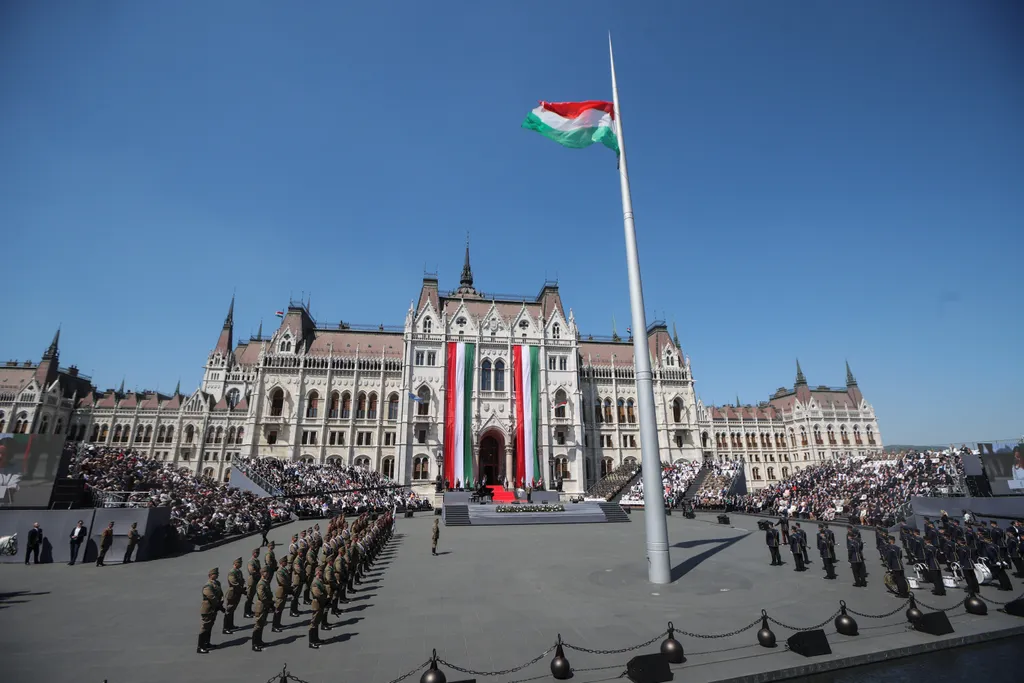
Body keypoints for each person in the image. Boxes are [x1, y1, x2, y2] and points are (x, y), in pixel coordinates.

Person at [198, 567, 224, 655]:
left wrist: (221, 600)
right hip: (207, 608)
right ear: (210, 575)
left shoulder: (217, 583)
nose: (216, 575)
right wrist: (219, 604)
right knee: (205, 627)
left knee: (210, 626)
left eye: (217, 574)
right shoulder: (208, 586)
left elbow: (220, 594)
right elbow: (211, 597)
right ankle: (200, 646)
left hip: (213, 608)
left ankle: (207, 643)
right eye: (215, 574)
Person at [308, 566, 330, 649]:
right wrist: (325, 598)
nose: (322, 573)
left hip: (320, 602)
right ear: (317, 572)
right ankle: (311, 641)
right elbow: (318, 594)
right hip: (316, 603)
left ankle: (316, 639)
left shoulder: (320, 581)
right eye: (320, 571)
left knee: (317, 622)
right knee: (313, 623)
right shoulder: (315, 582)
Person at [251, 568, 272, 652]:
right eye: (266, 572)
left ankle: (259, 641)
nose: (268, 574)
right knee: (258, 625)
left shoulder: (265, 582)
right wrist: (268, 602)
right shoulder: (261, 583)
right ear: (263, 573)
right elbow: (261, 595)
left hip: (265, 605)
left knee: (262, 624)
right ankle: (255, 644)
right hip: (261, 606)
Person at [223, 557, 244, 634]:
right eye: (239, 563)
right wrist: (240, 587)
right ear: (235, 564)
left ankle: (230, 625)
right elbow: (233, 582)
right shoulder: (232, 572)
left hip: (237, 591)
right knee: (229, 609)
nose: (241, 564)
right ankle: (225, 627)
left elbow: (242, 580)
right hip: (232, 592)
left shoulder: (239, 571)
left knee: (233, 609)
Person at [244, 548, 261, 619]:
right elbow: (251, 571)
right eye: (256, 553)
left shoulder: (257, 561)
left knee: (252, 595)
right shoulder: (251, 561)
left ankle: (250, 611)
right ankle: (246, 612)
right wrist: (258, 574)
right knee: (249, 596)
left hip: (256, 579)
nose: (257, 554)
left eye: (258, 553)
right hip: (252, 580)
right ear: (253, 553)